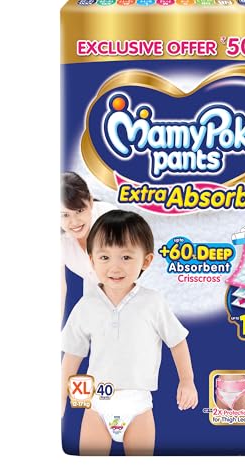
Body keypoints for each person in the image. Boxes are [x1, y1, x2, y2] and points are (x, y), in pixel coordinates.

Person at [61, 210, 198, 455]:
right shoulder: (87, 305)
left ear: (146, 261)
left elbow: (177, 342)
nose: (115, 267)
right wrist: (61, 395)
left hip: (138, 407)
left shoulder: (153, 302)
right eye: (104, 257)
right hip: (97, 405)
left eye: (125, 257)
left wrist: (187, 381)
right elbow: (72, 354)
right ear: (91, 260)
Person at [61, 172, 115, 317]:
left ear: (90, 202)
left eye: (79, 211)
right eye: (65, 215)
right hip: (95, 297)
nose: (74, 222)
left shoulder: (110, 220)